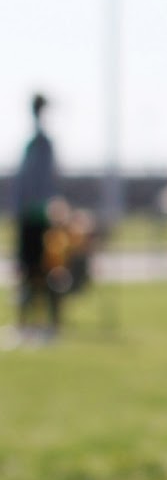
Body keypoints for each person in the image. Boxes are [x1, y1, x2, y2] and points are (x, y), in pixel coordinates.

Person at [12, 91, 62, 338]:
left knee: (44, 272)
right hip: (27, 216)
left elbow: (48, 184)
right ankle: (25, 324)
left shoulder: (43, 145)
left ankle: (45, 324)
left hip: (41, 217)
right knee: (26, 272)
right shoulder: (33, 143)